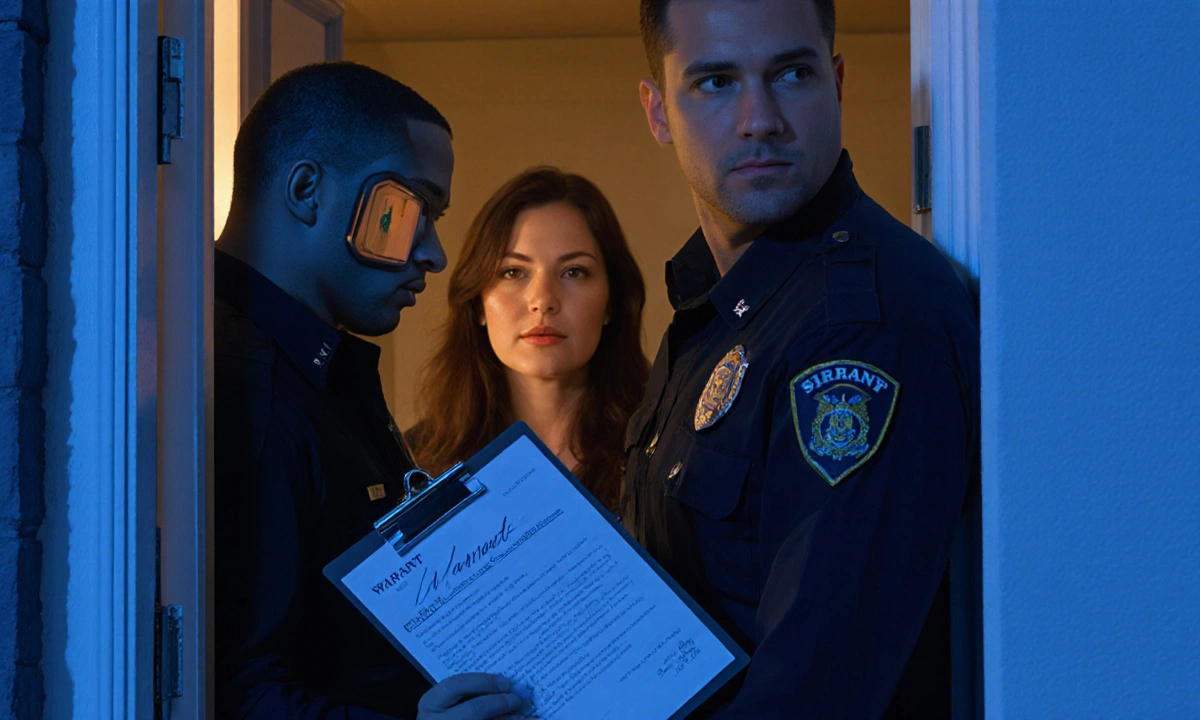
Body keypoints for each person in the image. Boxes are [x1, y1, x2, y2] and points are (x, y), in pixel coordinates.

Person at [624, 0, 980, 717]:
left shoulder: (865, 319)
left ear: (837, 83)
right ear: (659, 112)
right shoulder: (717, 305)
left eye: (790, 73)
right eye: (716, 83)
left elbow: (815, 696)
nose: (760, 119)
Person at [213, 62, 523, 720]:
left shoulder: (317, 374)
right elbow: (234, 689)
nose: (435, 254)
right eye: (411, 208)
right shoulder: (244, 385)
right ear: (306, 191)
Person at [407, 167, 649, 513]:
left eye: (574, 272)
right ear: (478, 303)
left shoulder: (662, 452)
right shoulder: (417, 465)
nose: (543, 300)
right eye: (513, 272)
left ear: (612, 302)